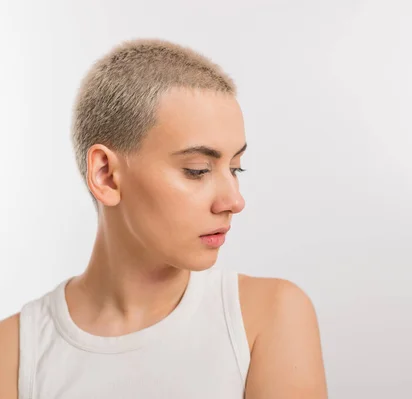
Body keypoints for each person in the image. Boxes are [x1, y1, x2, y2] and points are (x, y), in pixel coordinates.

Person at [0, 38, 327, 398]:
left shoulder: (267, 317)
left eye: (236, 168)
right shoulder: (13, 355)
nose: (234, 201)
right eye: (197, 170)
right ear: (106, 175)